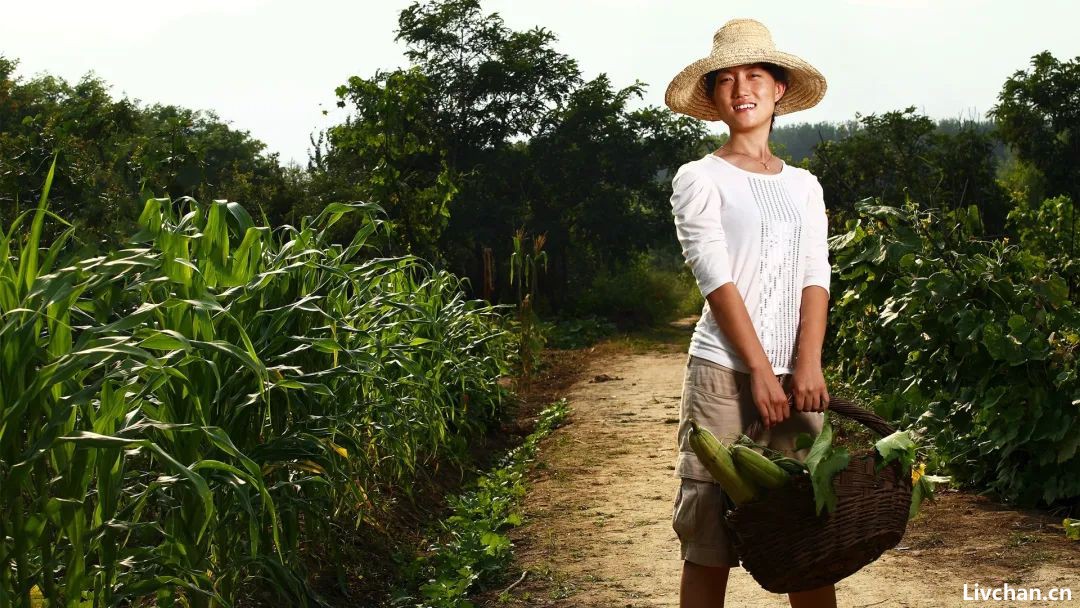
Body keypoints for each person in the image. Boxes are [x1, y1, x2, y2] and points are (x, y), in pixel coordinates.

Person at [663, 18, 837, 608]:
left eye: (755, 75)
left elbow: (817, 277)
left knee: (808, 538)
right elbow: (717, 279)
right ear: (713, 98)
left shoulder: (805, 185)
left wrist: (805, 363)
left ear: (778, 88)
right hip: (722, 374)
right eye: (728, 80)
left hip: (796, 374)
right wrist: (762, 372)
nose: (743, 88)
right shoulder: (699, 179)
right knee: (709, 539)